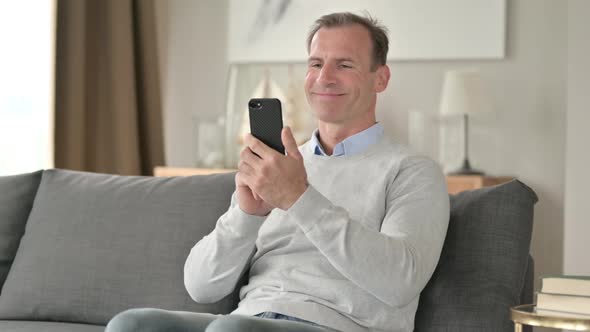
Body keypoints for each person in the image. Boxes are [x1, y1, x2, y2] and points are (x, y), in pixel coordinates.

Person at [106, 11, 449, 332]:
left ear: (381, 78)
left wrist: (299, 197)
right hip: (250, 320)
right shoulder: (277, 166)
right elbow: (201, 287)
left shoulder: (413, 172)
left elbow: (400, 281)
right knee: (132, 325)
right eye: (316, 63)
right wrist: (247, 214)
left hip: (337, 325)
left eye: (344, 64)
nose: (324, 78)